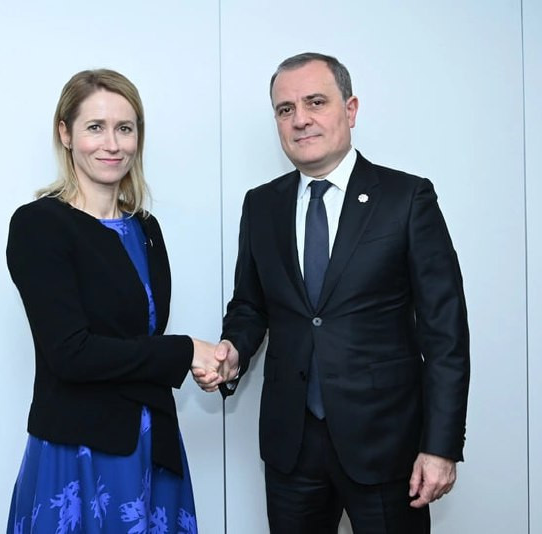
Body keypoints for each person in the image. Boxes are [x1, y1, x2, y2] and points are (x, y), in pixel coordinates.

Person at [194, 53, 470, 533]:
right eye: (285, 109)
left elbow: (445, 333)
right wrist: (232, 351)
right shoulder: (261, 205)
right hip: (291, 447)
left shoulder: (407, 199)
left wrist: (441, 446)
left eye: (315, 102)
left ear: (351, 109)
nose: (300, 119)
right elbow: (250, 305)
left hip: (387, 446)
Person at [6, 69, 220, 534]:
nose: (112, 144)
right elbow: (70, 353)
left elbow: (138, 339)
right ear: (65, 134)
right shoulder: (39, 225)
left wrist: (206, 362)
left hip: (154, 445)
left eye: (125, 128)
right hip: (79, 451)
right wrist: (185, 352)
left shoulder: (146, 228)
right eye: (95, 127)